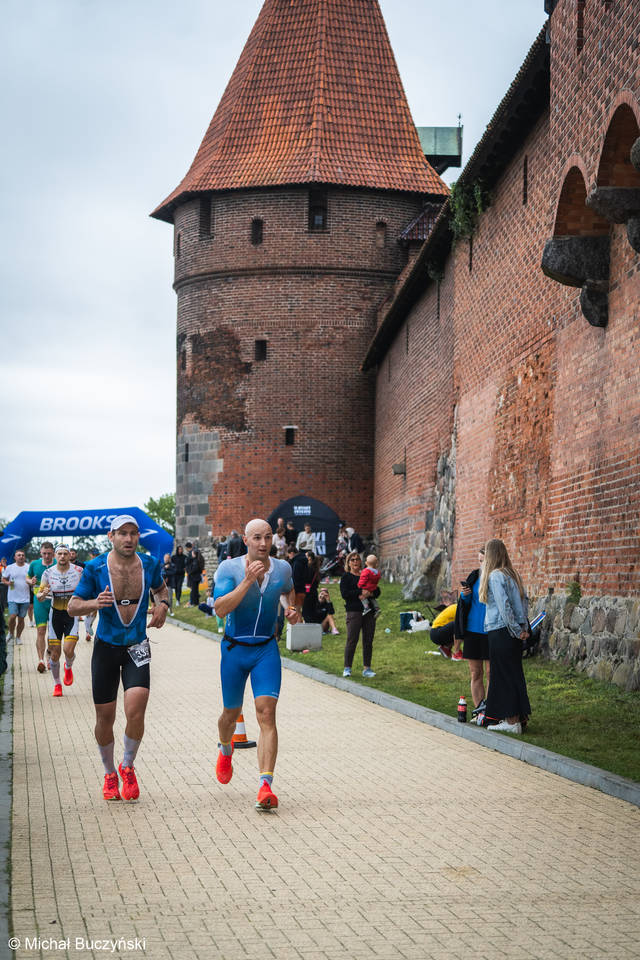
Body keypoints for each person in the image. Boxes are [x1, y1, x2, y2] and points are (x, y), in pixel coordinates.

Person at [68, 515, 169, 802]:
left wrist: (163, 605)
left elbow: (161, 589)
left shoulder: (149, 564)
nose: (128, 538)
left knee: (137, 709)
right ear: (111, 536)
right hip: (106, 647)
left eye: (133, 533)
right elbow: (73, 606)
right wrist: (94, 603)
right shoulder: (96, 567)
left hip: (137, 645)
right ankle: (110, 773)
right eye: (122, 533)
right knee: (105, 717)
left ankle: (127, 765)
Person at [213, 518, 300, 810]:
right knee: (230, 713)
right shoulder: (229, 569)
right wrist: (248, 580)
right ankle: (226, 749)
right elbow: (220, 608)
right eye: (257, 538)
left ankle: (265, 786)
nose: (263, 543)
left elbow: (289, 590)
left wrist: (291, 609)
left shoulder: (282, 569)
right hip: (234, 649)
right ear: (246, 541)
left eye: (268, 537)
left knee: (267, 713)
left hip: (265, 649)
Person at [478, 538, 531, 734]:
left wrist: (516, 630)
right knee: (514, 674)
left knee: (502, 676)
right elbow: (524, 602)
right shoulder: (513, 574)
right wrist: (522, 628)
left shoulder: (495, 576)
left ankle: (511, 721)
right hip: (514, 631)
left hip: (501, 630)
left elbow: (504, 606)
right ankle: (519, 718)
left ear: (490, 555)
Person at [37, 545, 83, 697]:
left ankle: (68, 667)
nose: (62, 556)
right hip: (55, 615)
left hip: (71, 614)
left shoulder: (79, 571)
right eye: (60, 554)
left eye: (65, 553)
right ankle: (57, 684)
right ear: (55, 556)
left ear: (70, 555)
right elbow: (39, 596)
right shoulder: (48, 573)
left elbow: (87, 589)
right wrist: (43, 594)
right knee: (55, 654)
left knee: (68, 650)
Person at [454, 546, 489, 719]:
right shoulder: (474, 576)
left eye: (484, 561)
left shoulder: (497, 578)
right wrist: (465, 595)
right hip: (472, 630)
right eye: (480, 561)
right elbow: (465, 604)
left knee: (491, 674)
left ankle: (491, 711)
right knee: (476, 673)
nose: (481, 565)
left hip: (490, 631)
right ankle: (478, 711)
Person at [340, 551, 379, 678]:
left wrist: (370, 593)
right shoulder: (346, 577)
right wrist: (360, 592)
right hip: (354, 611)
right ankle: (347, 668)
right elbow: (345, 594)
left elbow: (377, 590)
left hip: (369, 612)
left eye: (357, 559)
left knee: (368, 640)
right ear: (348, 563)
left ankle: (367, 669)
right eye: (352, 560)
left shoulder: (367, 574)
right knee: (352, 639)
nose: (356, 561)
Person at [26, 541, 55, 672]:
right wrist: (30, 581)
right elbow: (27, 578)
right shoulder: (34, 564)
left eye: (49, 553)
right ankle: (41, 660)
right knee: (41, 631)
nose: (47, 556)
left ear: (53, 553)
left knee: (52, 633)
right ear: (40, 553)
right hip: (39, 601)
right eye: (44, 553)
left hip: (54, 601)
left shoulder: (57, 563)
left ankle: (49, 654)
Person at [3, 549, 30, 644]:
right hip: (12, 597)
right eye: (19, 555)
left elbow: (32, 579)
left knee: (21, 619)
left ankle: (18, 637)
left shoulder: (28, 567)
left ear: (24, 557)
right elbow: (3, 579)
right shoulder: (10, 567)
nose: (21, 556)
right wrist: (8, 583)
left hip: (25, 598)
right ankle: (11, 633)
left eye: (22, 555)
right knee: (13, 616)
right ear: (15, 557)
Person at [83, 547, 101, 640]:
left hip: (98, 589)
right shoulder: (86, 564)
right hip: (89, 589)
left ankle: (88, 628)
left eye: (97, 555)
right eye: (94, 555)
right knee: (88, 610)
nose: (95, 556)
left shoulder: (102, 563)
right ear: (90, 555)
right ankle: (87, 631)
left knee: (95, 610)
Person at [287, 543, 308, 615]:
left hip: (297, 591)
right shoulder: (303, 560)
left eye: (288, 554)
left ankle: (297, 622)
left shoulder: (297, 563)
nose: (288, 556)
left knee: (296, 611)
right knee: (297, 610)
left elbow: (295, 577)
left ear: (292, 553)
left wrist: (292, 589)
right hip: (303, 589)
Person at [302, 552, 322, 623]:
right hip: (314, 593)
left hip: (308, 593)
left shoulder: (308, 568)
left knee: (307, 613)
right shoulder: (316, 569)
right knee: (312, 612)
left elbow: (306, 580)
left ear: (309, 558)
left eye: (306, 556)